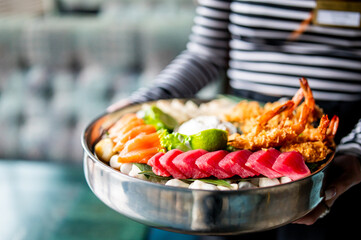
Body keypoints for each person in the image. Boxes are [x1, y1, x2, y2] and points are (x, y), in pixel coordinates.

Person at [108, 0, 361, 238]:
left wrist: (357, 149)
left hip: (342, 132)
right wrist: (144, 101)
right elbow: (204, 54)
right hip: (242, 121)